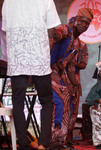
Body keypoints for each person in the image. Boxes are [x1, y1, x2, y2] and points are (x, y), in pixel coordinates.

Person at [1, 0, 61, 150]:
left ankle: (23, 144)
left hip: (18, 58)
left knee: (18, 102)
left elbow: (6, 30)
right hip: (38, 58)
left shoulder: (8, 2)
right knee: (46, 100)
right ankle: (43, 144)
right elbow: (50, 31)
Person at [49, 8, 93, 147]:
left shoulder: (76, 43)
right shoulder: (66, 30)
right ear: (75, 20)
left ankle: (62, 140)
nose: (84, 25)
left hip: (61, 75)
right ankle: (54, 140)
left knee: (67, 106)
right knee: (60, 105)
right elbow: (55, 35)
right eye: (82, 21)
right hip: (48, 72)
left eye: (87, 23)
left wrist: (74, 84)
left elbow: (69, 66)